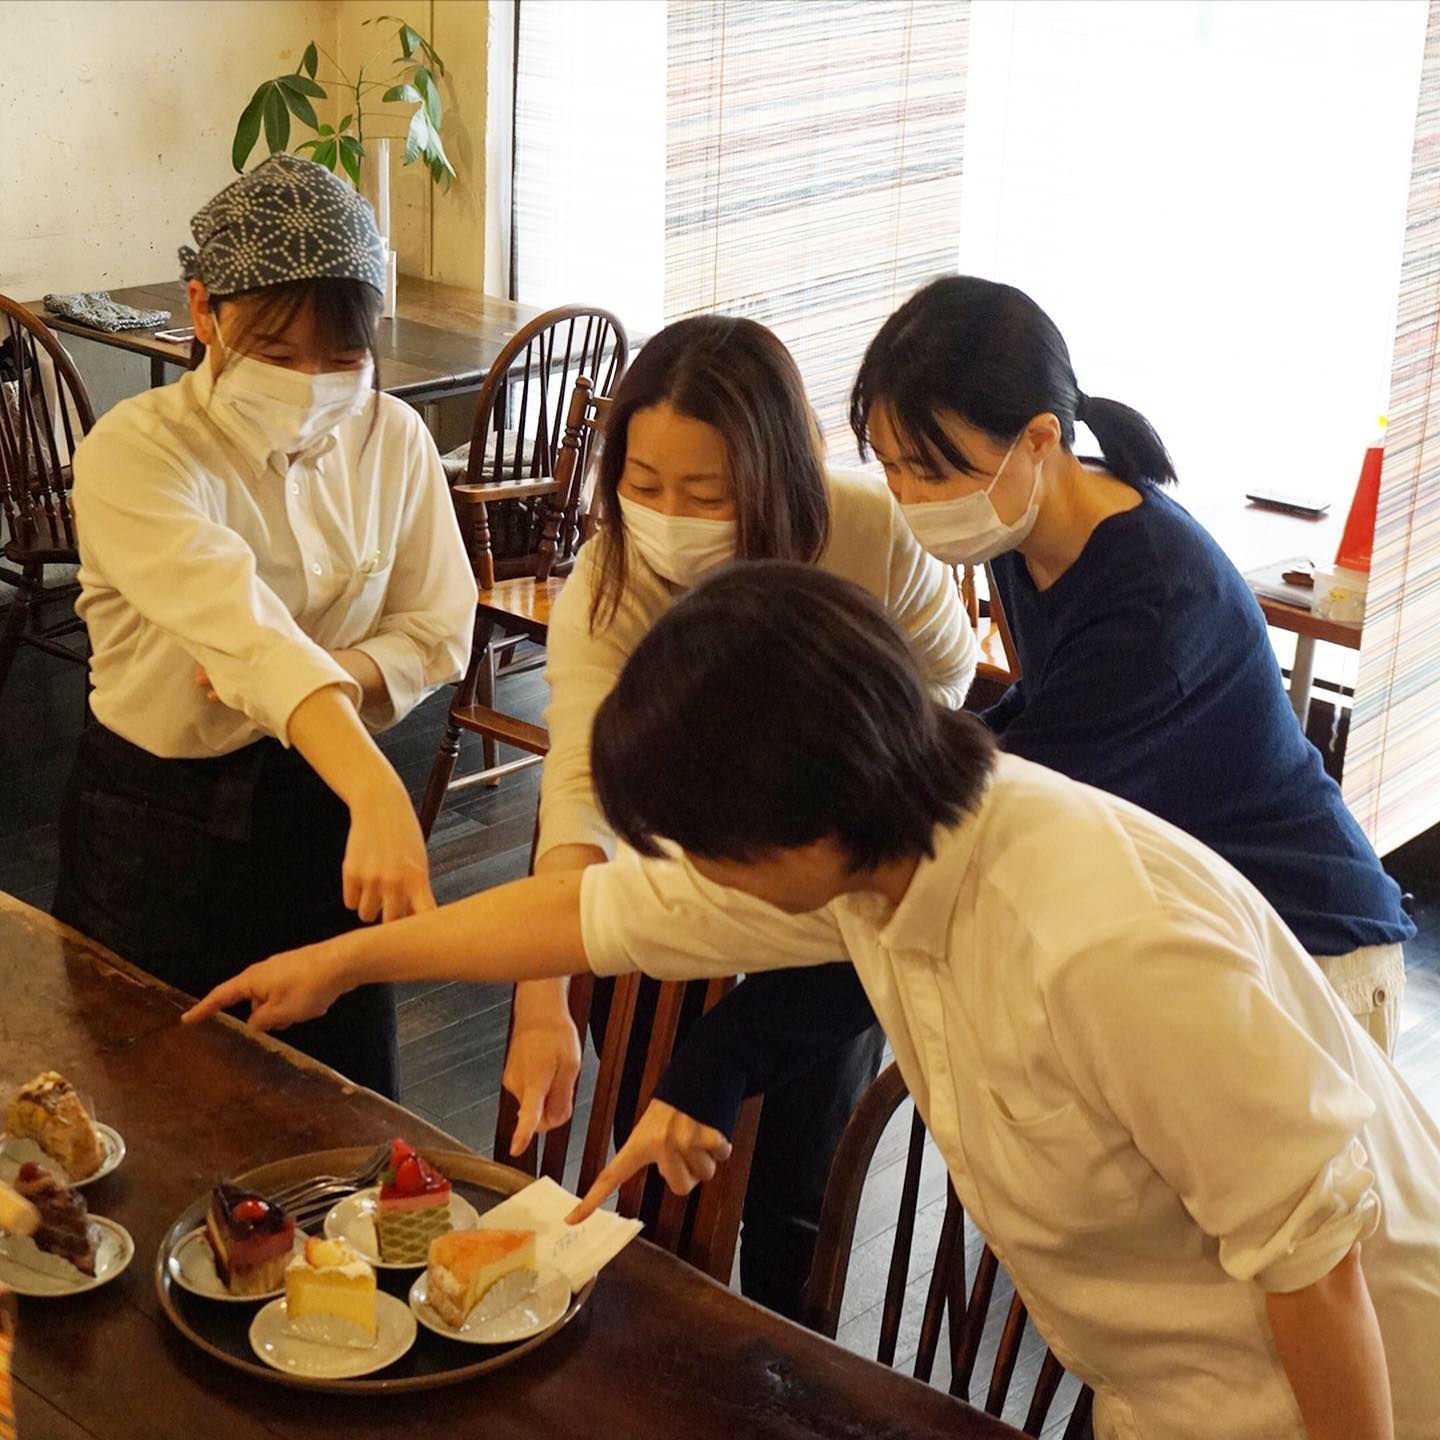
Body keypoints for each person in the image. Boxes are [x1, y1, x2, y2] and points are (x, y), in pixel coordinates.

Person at [186, 563, 1440, 1440]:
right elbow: (595, 915)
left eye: (705, 844)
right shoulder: (876, 850)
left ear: (804, 811)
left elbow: (1317, 1270)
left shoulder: (1102, 937)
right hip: (1174, 1388)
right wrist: (343, 963)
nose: (695, 874)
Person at [617, 273, 1418, 1168]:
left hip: (1307, 959)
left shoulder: (1152, 607)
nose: (908, 498)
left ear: (1039, 439)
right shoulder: (1029, 534)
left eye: (932, 470)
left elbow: (950, 861)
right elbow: (1029, 719)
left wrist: (724, 1054)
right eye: (891, 465)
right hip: (1195, 943)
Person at [504, 313, 977, 1317]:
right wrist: (545, 1000)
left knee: (800, 1181)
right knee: (661, 1152)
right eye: (642, 484)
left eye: (706, 494)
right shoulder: (613, 580)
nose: (668, 516)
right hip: (676, 880)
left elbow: (948, 673)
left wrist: (842, 796)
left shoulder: (867, 531)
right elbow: (580, 791)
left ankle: (784, 1363)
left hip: (836, 886)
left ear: (776, 477)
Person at [52, 154, 475, 1099]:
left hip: (319, 809)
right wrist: (378, 787)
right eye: (280, 356)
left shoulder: (392, 439)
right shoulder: (138, 451)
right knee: (153, 1098)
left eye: (344, 357)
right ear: (204, 310)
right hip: (158, 821)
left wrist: (335, 675)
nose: (314, 381)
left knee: (343, 1103)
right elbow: (243, 629)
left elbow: (440, 623)